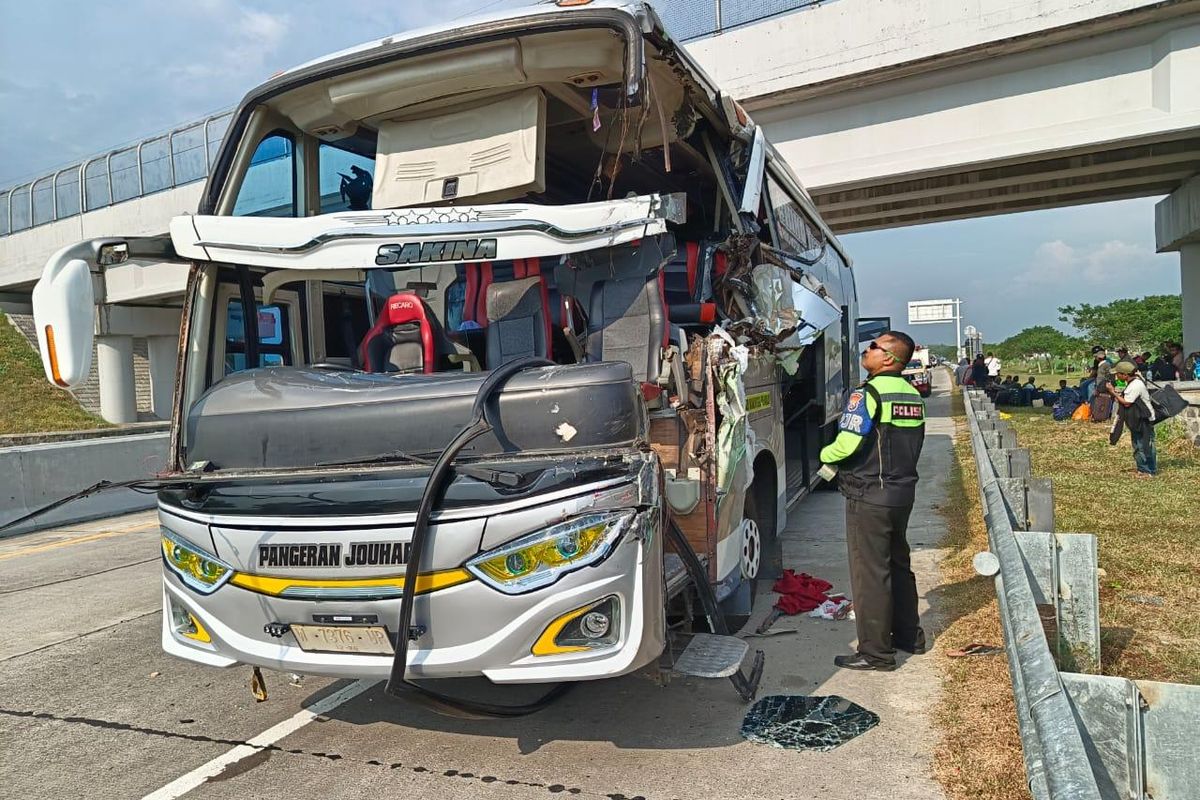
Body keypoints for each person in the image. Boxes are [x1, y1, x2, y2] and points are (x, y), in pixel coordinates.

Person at [819, 330, 926, 672]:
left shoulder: (867, 394)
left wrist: (821, 455)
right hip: (901, 493)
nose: (866, 350)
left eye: (874, 346)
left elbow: (847, 444)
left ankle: (876, 653)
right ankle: (910, 637)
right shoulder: (911, 394)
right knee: (898, 564)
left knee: (870, 572)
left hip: (869, 494)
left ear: (889, 359)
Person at [1107, 360, 1156, 477]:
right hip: (1137, 419)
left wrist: (1113, 392)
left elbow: (1127, 402)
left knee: (1143, 445)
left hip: (1143, 421)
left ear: (1125, 375)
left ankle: (1147, 471)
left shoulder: (1135, 385)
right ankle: (1143, 469)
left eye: (1118, 373)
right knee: (1138, 444)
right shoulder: (1135, 382)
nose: (1116, 376)